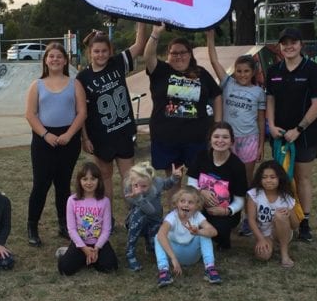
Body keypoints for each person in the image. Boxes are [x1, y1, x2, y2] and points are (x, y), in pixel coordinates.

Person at [144, 24, 222, 202]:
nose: (179, 56)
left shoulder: (201, 74)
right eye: (174, 53)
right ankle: (175, 217)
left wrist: (217, 125)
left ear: (190, 54)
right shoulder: (160, 71)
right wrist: (155, 34)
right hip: (167, 138)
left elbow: (217, 95)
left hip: (196, 138)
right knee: (174, 178)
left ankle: (196, 214)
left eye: (183, 52)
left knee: (198, 179)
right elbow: (148, 56)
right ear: (168, 55)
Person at [266, 27, 317, 242]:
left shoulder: (313, 70)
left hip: (305, 135)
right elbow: (270, 100)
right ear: (280, 47)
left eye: (293, 42)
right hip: (279, 135)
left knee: (302, 178)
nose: (289, 46)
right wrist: (271, 126)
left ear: (301, 45)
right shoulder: (273, 71)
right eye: (284, 43)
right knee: (281, 178)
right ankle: (283, 218)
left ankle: (304, 222)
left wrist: (298, 130)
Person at [77, 22, 148, 202]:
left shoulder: (117, 63)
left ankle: (133, 217)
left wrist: (140, 21)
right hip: (100, 135)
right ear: (89, 53)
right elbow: (81, 111)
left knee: (129, 177)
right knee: (105, 178)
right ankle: (107, 217)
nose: (101, 55)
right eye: (96, 51)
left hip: (123, 131)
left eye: (104, 51)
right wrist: (85, 138)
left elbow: (139, 46)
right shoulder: (83, 78)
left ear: (110, 51)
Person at [25, 41, 87, 247]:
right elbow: (30, 114)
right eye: (51, 56)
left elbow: (81, 113)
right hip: (44, 141)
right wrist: (45, 135)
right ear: (45, 60)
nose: (55, 60)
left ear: (65, 60)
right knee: (41, 185)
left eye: (59, 56)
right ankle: (32, 226)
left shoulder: (74, 84)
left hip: (68, 140)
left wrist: (70, 134)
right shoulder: (37, 85)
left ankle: (64, 225)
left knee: (63, 185)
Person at [207, 29, 266, 235]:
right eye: (239, 71)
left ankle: (249, 221)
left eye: (246, 71)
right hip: (228, 140)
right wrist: (210, 36)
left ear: (253, 72)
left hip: (249, 139)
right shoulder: (228, 84)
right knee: (225, 179)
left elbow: (260, 119)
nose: (242, 75)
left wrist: (260, 145)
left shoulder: (259, 92)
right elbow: (214, 61)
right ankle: (226, 213)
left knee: (246, 181)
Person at [187, 121, 248, 250]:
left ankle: (222, 240)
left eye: (225, 137)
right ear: (210, 139)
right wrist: (201, 192)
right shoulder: (201, 156)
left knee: (219, 230)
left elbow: (240, 200)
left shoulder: (237, 166)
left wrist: (227, 211)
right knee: (184, 217)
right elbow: (191, 183)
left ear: (232, 141)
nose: (220, 140)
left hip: (223, 211)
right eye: (216, 136)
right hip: (199, 205)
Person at [57, 162, 118, 276]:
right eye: (85, 179)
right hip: (80, 244)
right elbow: (71, 229)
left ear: (98, 181)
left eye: (93, 179)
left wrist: (96, 248)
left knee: (111, 267)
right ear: (79, 181)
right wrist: (84, 248)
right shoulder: (72, 200)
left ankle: (90, 258)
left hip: (98, 244)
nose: (89, 183)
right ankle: (69, 254)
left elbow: (106, 230)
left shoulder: (104, 201)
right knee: (65, 269)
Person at [154, 186, 221, 287]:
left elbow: (214, 232)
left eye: (190, 202)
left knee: (205, 234)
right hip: (175, 253)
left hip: (192, 254)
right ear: (177, 203)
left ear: (197, 206)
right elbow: (161, 234)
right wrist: (173, 258)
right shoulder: (172, 217)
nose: (186, 204)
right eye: (182, 201)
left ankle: (210, 268)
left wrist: (198, 231)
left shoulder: (197, 216)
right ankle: (164, 271)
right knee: (158, 236)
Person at [124, 161, 184, 271]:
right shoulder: (129, 190)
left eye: (144, 186)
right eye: (136, 185)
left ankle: (150, 242)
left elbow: (166, 184)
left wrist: (173, 178)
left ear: (152, 182)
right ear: (131, 182)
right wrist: (138, 198)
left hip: (155, 220)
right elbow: (149, 211)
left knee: (155, 244)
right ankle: (130, 251)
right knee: (139, 213)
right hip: (136, 222)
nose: (140, 189)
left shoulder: (157, 182)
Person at [247, 160, 299, 268]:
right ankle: (271, 245)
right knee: (263, 256)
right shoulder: (254, 194)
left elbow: (295, 225)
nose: (268, 180)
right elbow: (251, 219)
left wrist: (290, 213)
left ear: (279, 178)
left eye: (272, 177)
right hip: (265, 234)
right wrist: (260, 239)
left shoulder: (286, 197)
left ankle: (284, 253)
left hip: (283, 231)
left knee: (280, 216)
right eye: (264, 177)